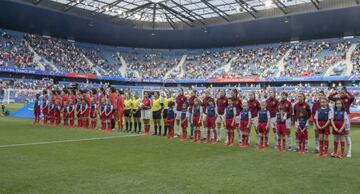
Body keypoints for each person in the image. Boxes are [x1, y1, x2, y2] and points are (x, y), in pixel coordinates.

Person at [328, 87, 354, 158]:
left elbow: (352, 97)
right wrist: (336, 92)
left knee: (346, 135)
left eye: (343, 93)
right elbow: (330, 97)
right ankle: (336, 151)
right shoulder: (338, 99)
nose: (341, 94)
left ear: (346, 92)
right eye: (341, 93)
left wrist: (347, 92)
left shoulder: (348, 98)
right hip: (338, 119)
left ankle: (349, 151)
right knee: (337, 136)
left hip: (346, 118)